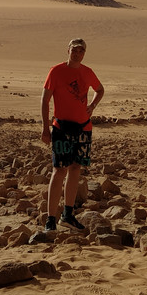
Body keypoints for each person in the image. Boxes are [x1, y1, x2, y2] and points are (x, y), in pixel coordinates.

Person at [40, 38, 104, 232]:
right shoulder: (56, 71)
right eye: (74, 50)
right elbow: (45, 100)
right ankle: (51, 219)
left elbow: (100, 90)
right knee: (59, 169)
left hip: (83, 127)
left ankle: (67, 215)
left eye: (80, 51)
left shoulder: (87, 72)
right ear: (67, 50)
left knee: (75, 168)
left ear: (84, 53)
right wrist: (45, 128)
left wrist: (92, 106)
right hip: (61, 127)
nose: (77, 53)